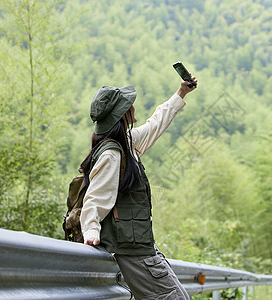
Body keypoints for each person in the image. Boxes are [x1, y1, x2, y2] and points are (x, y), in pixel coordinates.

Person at [80, 75, 197, 300]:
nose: (132, 106)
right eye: (127, 104)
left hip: (141, 249)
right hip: (133, 253)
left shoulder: (127, 143)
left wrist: (181, 93)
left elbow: (156, 124)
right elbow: (95, 198)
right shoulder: (113, 154)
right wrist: (91, 231)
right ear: (121, 114)